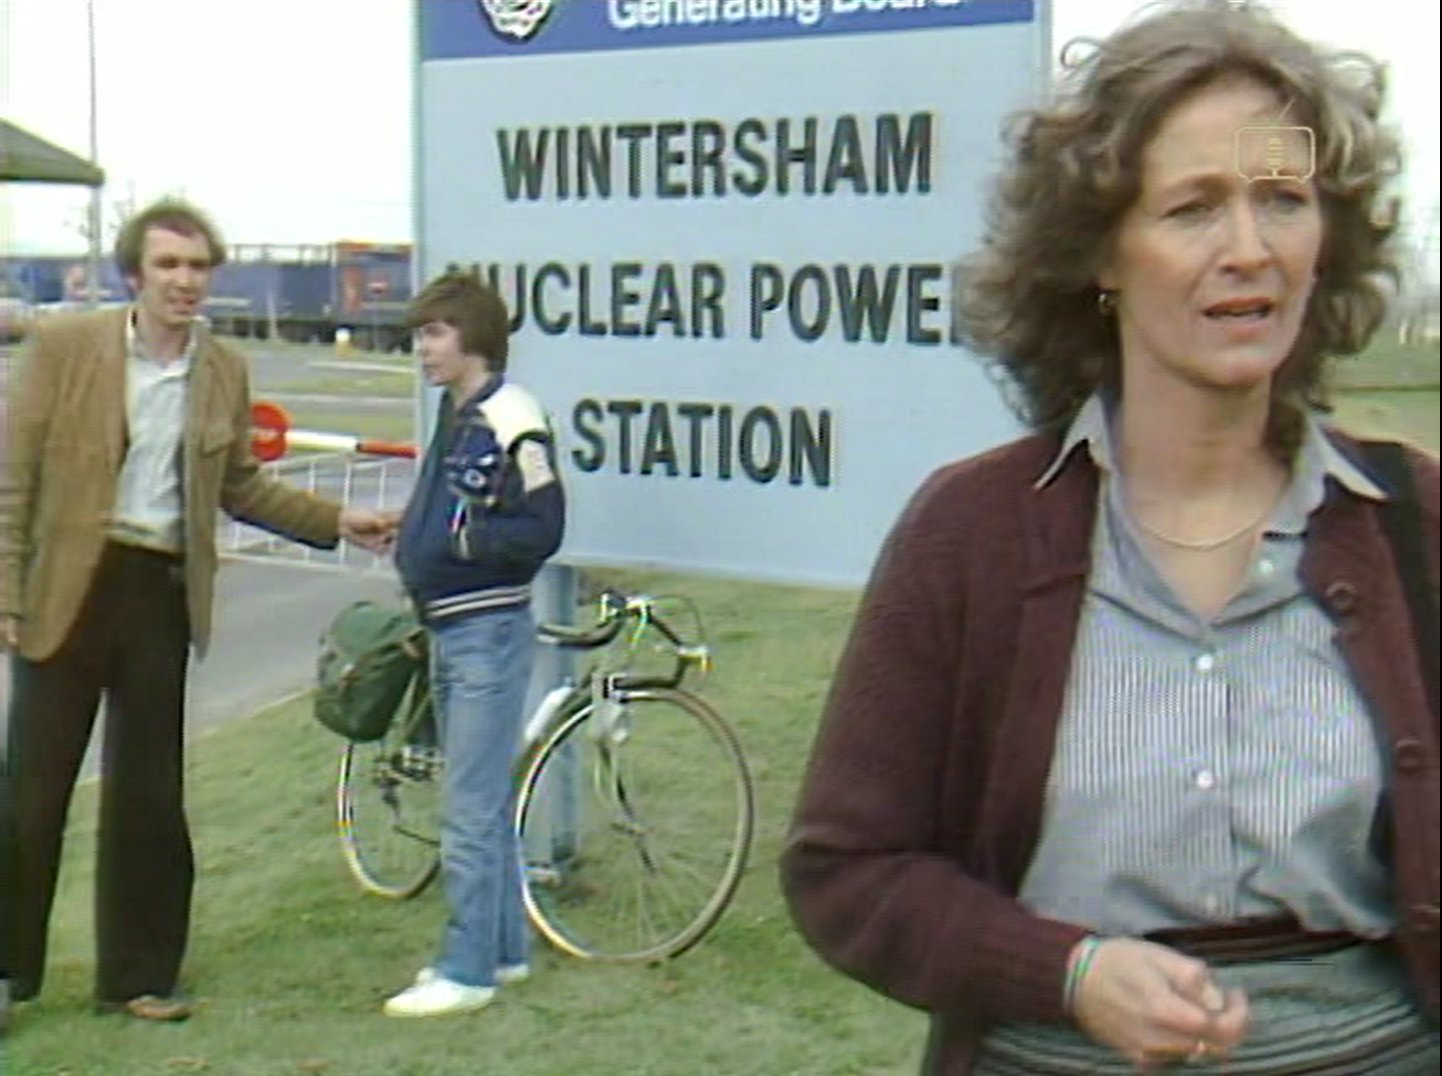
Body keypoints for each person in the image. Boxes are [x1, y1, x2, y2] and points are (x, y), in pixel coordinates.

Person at [780, 2, 1439, 1072]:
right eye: (1191, 208)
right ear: (1099, 252)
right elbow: (845, 869)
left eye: (1281, 199)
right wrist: (1066, 971)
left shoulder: (1411, 521)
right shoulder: (969, 533)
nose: (1247, 249)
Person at [0, 198, 396, 1022]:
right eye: (168, 265)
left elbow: (241, 484)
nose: (185, 281)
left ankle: (139, 977)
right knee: (30, 795)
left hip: (160, 592)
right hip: (66, 587)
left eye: (197, 267)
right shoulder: (65, 349)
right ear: (135, 275)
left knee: (150, 794)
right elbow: (14, 480)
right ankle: (7, 974)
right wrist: (6, 593)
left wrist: (336, 521)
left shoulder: (221, 370)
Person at [383, 270, 564, 1018]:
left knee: (468, 805)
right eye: (419, 334)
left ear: (473, 339)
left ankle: (465, 971)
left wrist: (459, 542)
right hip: (453, 627)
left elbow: (544, 526)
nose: (421, 348)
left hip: (486, 632)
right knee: (482, 803)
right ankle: (503, 950)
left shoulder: (511, 415)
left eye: (434, 333)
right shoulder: (457, 413)